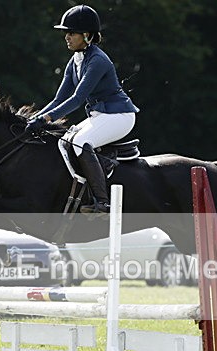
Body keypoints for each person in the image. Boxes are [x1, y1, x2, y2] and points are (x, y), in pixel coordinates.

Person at [25, 4, 139, 213]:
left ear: (86, 35)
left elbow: (77, 99)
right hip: (102, 115)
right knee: (66, 141)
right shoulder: (75, 60)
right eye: (65, 33)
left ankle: (102, 203)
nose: (66, 37)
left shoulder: (98, 61)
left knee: (80, 142)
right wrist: (35, 119)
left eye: (71, 33)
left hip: (120, 116)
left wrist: (46, 119)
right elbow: (59, 98)